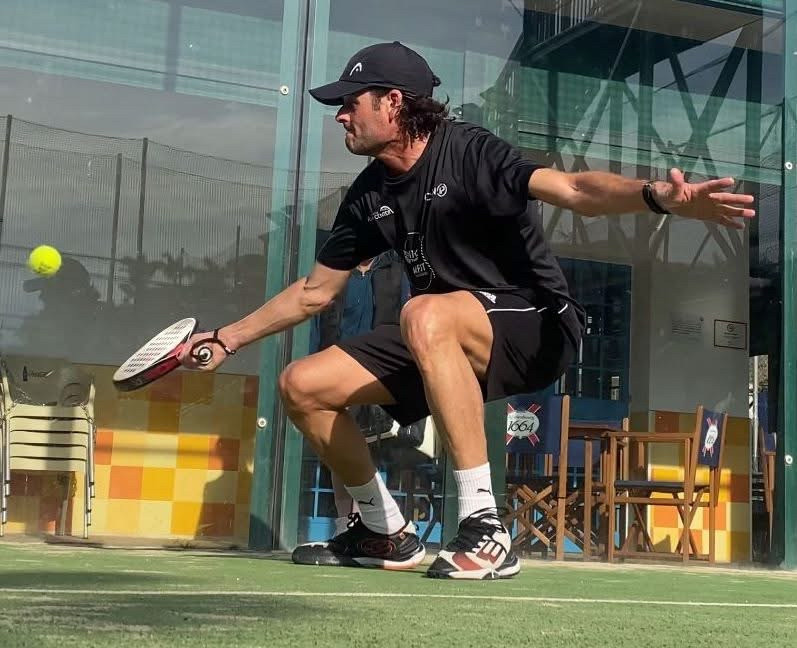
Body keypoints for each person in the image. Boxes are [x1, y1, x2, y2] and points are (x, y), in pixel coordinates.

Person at [180, 41, 755, 580]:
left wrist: (657, 197)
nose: (340, 116)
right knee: (303, 385)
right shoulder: (369, 195)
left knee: (424, 312)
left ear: (393, 102)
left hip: (537, 322)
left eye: (350, 103)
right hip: (440, 330)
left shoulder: (472, 153)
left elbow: (575, 190)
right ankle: (383, 531)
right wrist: (227, 338)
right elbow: (314, 292)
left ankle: (486, 526)